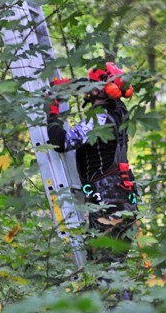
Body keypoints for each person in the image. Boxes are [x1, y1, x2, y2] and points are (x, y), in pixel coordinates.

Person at [46, 62, 138, 264]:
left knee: (101, 270)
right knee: (116, 270)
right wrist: (68, 84)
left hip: (106, 205)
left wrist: (52, 110)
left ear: (98, 90)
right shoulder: (120, 110)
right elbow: (95, 86)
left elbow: (61, 142)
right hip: (126, 201)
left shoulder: (98, 119)